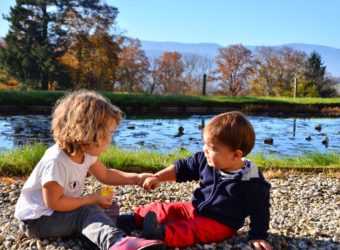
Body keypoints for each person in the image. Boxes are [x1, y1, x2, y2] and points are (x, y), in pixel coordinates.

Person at [14, 90, 164, 250]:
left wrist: (137, 178)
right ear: (87, 132)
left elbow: (106, 174)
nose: (110, 140)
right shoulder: (56, 161)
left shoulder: (85, 153)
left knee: (107, 207)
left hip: (57, 213)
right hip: (37, 221)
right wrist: (92, 199)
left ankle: (131, 228)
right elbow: (54, 203)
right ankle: (117, 243)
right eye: (108, 134)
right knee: (87, 211)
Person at [117, 111, 272, 250]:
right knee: (167, 208)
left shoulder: (251, 181)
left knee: (192, 230)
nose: (205, 149)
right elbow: (182, 168)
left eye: (212, 147)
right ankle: (134, 218)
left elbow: (261, 210)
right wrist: (158, 177)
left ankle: (161, 235)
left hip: (221, 223)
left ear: (236, 155)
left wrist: (258, 235)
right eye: (205, 144)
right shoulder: (206, 160)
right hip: (195, 207)